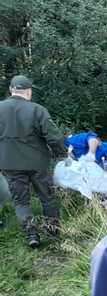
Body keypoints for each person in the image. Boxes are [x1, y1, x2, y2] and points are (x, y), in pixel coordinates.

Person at [0, 75, 66, 247]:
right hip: (38, 163)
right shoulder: (37, 110)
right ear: (29, 91)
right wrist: (61, 155)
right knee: (47, 197)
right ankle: (52, 233)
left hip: (9, 164)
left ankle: (32, 236)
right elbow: (54, 137)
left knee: (21, 201)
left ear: (11, 90)